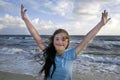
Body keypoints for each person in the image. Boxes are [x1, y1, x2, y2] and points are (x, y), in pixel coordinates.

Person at [21, 4, 111, 80]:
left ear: (67, 43)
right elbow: (36, 37)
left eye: (63, 39)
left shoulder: (71, 55)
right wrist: (25, 19)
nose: (60, 41)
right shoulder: (48, 54)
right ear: (53, 41)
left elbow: (86, 40)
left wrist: (101, 24)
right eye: (57, 39)